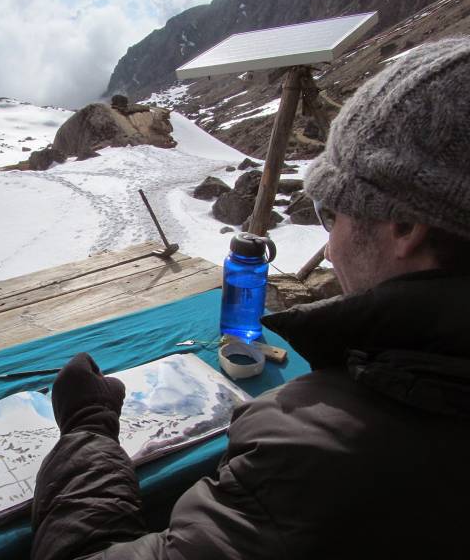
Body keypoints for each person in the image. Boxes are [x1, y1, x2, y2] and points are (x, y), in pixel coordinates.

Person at [30, 37, 470, 560]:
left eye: (334, 214)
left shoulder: (327, 457)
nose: (327, 247)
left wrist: (87, 431)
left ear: (405, 226)